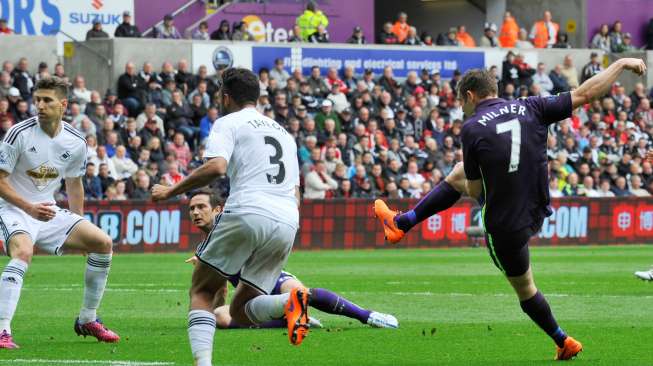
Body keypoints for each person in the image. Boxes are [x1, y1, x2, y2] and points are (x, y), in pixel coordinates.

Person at [374, 57, 647, 360]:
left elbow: (476, 190)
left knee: (525, 288)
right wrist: (621, 63)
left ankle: (562, 340)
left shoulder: (472, 127)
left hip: (504, 226)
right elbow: (586, 93)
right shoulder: (531, 106)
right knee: (456, 173)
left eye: (461, 101)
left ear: (470, 96)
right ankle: (404, 223)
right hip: (536, 209)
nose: (462, 108)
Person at [151, 67, 309, 366]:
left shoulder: (227, 122)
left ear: (225, 97)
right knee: (240, 311)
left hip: (249, 209)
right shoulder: (284, 133)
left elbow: (216, 168)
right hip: (288, 218)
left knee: (203, 289)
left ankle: (204, 363)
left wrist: (171, 191)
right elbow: (296, 189)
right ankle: (290, 301)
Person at [0, 77, 120, 349]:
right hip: (13, 209)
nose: (39, 105)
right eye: (37, 100)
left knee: (102, 243)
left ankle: (88, 319)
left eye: (47, 100)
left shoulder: (76, 141)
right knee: (23, 252)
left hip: (47, 210)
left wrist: (77, 222)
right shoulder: (19, 133)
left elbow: (74, 184)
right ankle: (2, 330)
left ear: (63, 104)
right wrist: (29, 207)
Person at [186, 190, 398, 329]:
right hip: (249, 295)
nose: (195, 212)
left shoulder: (234, 223)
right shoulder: (205, 248)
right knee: (219, 317)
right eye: (192, 209)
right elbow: (220, 288)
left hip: (274, 279)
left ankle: (369, 316)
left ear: (217, 210)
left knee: (303, 293)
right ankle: (290, 320)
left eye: (201, 207)